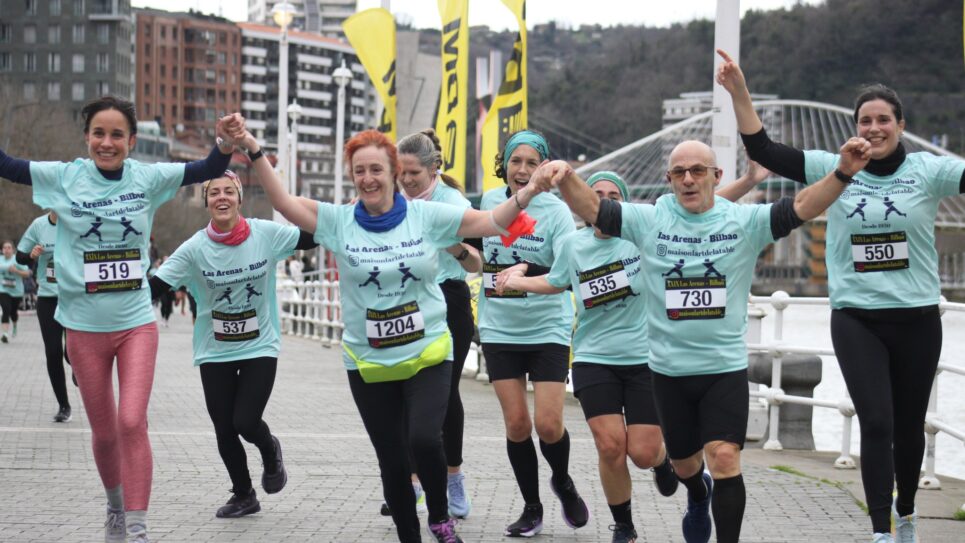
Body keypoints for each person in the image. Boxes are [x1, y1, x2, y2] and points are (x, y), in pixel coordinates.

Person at [538, 136, 869, 543]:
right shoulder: (651, 220)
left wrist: (843, 172)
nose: (689, 179)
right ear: (669, 179)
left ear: (716, 176)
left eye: (698, 171)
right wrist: (566, 177)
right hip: (668, 372)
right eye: (679, 172)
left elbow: (802, 205)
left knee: (725, 457)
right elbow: (594, 208)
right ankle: (697, 493)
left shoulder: (743, 222)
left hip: (723, 368)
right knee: (683, 465)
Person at [234, 124, 549, 543]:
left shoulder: (426, 215)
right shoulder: (339, 221)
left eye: (376, 170)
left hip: (428, 353)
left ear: (394, 172)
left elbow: (492, 221)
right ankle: (409, 534)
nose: (368, 179)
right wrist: (253, 148)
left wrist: (529, 191)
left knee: (424, 439)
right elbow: (283, 202)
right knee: (393, 459)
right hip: (369, 362)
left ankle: (440, 515)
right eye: (359, 171)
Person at [716, 49, 965, 543]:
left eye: (883, 120)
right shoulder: (832, 167)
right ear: (854, 128)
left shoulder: (928, 171)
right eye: (865, 121)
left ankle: (907, 513)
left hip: (916, 317)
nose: (874, 128)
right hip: (857, 318)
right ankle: (879, 531)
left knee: (909, 426)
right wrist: (739, 92)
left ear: (900, 125)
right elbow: (763, 148)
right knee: (876, 421)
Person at [0, 95, 241, 543]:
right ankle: (115, 507)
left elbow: (206, 168)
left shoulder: (146, 178)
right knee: (105, 431)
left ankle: (138, 526)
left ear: (131, 142)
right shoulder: (66, 177)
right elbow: (9, 166)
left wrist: (226, 143)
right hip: (83, 327)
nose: (106, 143)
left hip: (135, 324)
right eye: (98, 133)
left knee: (131, 421)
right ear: (87, 138)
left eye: (116, 135)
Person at [494, 171, 675, 543]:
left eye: (613, 196)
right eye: (597, 194)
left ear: (623, 205)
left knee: (642, 453)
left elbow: (694, 216)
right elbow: (556, 280)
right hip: (594, 357)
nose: (604, 202)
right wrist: (517, 280)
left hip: (644, 358)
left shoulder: (644, 239)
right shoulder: (574, 245)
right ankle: (623, 526)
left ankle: (662, 462)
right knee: (610, 446)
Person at [150, 169, 317, 519]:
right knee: (224, 427)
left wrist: (350, 219)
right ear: (207, 202)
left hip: (260, 345)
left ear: (239, 198)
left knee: (245, 421)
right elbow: (155, 287)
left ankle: (269, 449)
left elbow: (310, 237)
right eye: (214, 192)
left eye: (229, 191)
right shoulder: (195, 248)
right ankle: (244, 494)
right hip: (215, 349)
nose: (221, 197)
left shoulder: (265, 234)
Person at [475, 129, 591, 538]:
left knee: (548, 424)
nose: (522, 170)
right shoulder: (489, 202)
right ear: (504, 164)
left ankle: (562, 480)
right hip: (499, 328)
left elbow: (566, 271)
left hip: (547, 328)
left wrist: (524, 270)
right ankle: (532, 507)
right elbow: (476, 251)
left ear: (543, 168)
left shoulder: (557, 212)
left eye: (531, 163)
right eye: (515, 161)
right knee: (517, 425)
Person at [391, 128, 482, 520]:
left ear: (433, 169)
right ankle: (411, 484)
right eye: (401, 173)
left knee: (444, 392)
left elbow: (477, 263)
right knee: (404, 391)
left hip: (448, 298)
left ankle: (453, 476)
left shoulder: (453, 202)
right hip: (405, 300)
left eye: (414, 173)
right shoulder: (393, 201)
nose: (407, 180)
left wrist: (451, 245)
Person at [17, 211, 73, 421]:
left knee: (72, 351)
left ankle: (78, 367)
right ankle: (64, 406)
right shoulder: (39, 225)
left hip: (74, 298)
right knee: (53, 351)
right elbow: (20, 256)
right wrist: (31, 255)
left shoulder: (77, 221)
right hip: (48, 298)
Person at [0, 240, 31, 343]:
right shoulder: (0, 260)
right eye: (4, 248)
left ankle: (14, 325)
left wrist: (16, 271)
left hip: (16, 291)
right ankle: (5, 334)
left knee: (13, 313)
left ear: (13, 250)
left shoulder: (17, 260)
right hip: (3, 289)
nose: (6, 250)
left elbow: (27, 273)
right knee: (6, 309)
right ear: (2, 250)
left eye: (9, 248)